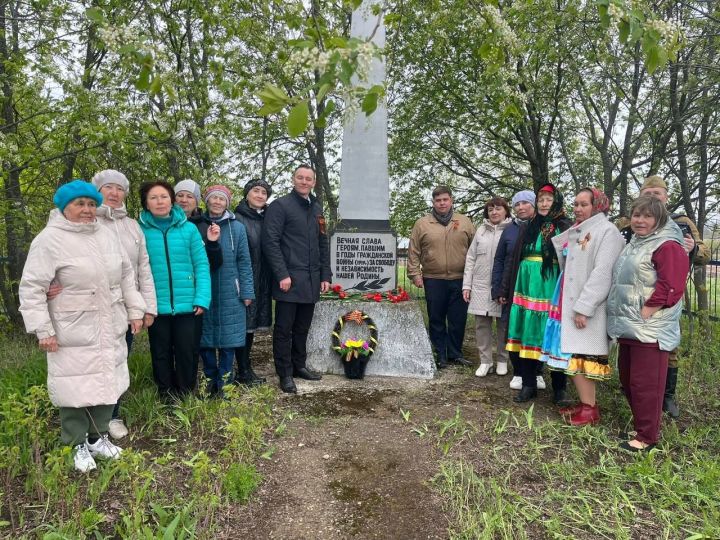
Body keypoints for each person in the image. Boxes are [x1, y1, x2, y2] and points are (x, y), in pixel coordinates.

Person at [19, 180, 145, 472]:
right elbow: (32, 288)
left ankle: (97, 438)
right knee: (74, 386)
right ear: (64, 208)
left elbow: (127, 275)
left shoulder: (107, 234)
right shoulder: (49, 240)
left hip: (109, 322)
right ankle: (75, 442)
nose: (87, 210)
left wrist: (135, 309)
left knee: (106, 381)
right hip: (71, 327)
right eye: (80, 204)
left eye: (91, 204)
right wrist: (43, 329)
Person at [617, 175, 710, 419]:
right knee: (633, 349)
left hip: (665, 295)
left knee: (667, 348)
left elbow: (704, 253)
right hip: (632, 291)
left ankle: (666, 396)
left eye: (657, 194)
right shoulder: (629, 223)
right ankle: (637, 391)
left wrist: (694, 249)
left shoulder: (680, 224)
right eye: (648, 193)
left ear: (665, 197)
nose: (652, 197)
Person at [607, 196, 689, 451]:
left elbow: (672, 285)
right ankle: (643, 426)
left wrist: (648, 310)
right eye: (636, 215)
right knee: (629, 380)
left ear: (659, 219)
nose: (640, 221)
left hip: (649, 328)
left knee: (646, 384)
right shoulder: (637, 242)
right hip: (629, 325)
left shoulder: (667, 246)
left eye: (647, 216)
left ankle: (647, 438)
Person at [540, 188, 625, 425]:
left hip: (587, 305)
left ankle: (590, 408)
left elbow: (603, 273)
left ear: (597, 206)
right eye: (576, 204)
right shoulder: (583, 229)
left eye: (584, 204)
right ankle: (585, 404)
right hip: (568, 298)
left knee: (584, 356)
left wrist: (584, 307)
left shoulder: (606, 231)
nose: (578, 209)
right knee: (573, 355)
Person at [262, 164, 332, 393]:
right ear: (293, 180)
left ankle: (299, 365)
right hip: (289, 280)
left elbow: (323, 242)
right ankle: (284, 373)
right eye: (300, 178)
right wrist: (282, 274)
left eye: (308, 179)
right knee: (284, 329)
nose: (304, 182)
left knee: (303, 328)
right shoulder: (280, 206)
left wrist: (325, 274)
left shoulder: (317, 208)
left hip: (311, 280)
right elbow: (270, 242)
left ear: (314, 183)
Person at [139, 181, 211, 400]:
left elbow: (201, 265)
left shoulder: (188, 229)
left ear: (171, 200)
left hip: (188, 303)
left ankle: (186, 393)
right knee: (160, 353)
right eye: (153, 197)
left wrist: (201, 298)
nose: (159, 202)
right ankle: (165, 394)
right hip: (155, 305)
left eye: (163, 196)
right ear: (146, 203)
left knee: (186, 351)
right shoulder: (139, 230)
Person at [502, 183, 571, 403]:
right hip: (525, 282)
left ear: (556, 202)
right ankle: (529, 383)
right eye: (540, 199)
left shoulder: (564, 226)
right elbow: (514, 257)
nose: (543, 203)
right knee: (527, 331)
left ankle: (559, 388)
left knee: (553, 333)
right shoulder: (529, 226)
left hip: (551, 283)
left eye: (548, 200)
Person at [407, 186, 475, 368]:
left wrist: (474, 276)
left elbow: (475, 250)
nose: (442, 203)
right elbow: (413, 251)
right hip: (433, 278)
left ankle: (455, 353)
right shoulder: (422, 223)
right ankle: (440, 354)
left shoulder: (464, 222)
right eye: (438, 200)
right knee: (436, 318)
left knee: (457, 319)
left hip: (460, 278)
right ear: (433, 202)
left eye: (445, 199)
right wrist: (414, 274)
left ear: (451, 200)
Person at [198, 185, 254, 396]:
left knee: (230, 339)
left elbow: (244, 261)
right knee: (205, 337)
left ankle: (225, 380)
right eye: (214, 199)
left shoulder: (237, 228)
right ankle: (210, 378)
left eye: (222, 199)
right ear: (207, 201)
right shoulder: (198, 226)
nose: (217, 202)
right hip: (205, 287)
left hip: (232, 288)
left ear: (227, 203)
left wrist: (247, 291)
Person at [492, 190, 537, 390]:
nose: (520, 207)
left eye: (525, 203)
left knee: (535, 329)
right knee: (512, 328)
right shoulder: (509, 230)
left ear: (533, 205)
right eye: (517, 204)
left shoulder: (541, 228)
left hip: (535, 288)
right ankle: (518, 371)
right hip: (511, 288)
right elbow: (500, 260)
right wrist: (499, 290)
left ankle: (537, 371)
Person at [462, 197, 512, 377]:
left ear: (506, 211)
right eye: (491, 209)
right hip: (481, 286)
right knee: (481, 325)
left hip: (502, 286)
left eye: (498, 209)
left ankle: (501, 360)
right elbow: (470, 258)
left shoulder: (512, 230)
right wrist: (467, 285)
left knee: (503, 325)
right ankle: (485, 361)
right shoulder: (481, 231)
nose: (494, 212)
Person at [234, 178, 274, 385]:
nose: (260, 195)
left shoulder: (267, 218)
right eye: (256, 191)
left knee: (250, 327)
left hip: (262, 280)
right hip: (244, 280)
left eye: (264, 193)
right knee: (242, 327)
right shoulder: (237, 218)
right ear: (247, 194)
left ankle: (245, 368)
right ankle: (242, 370)